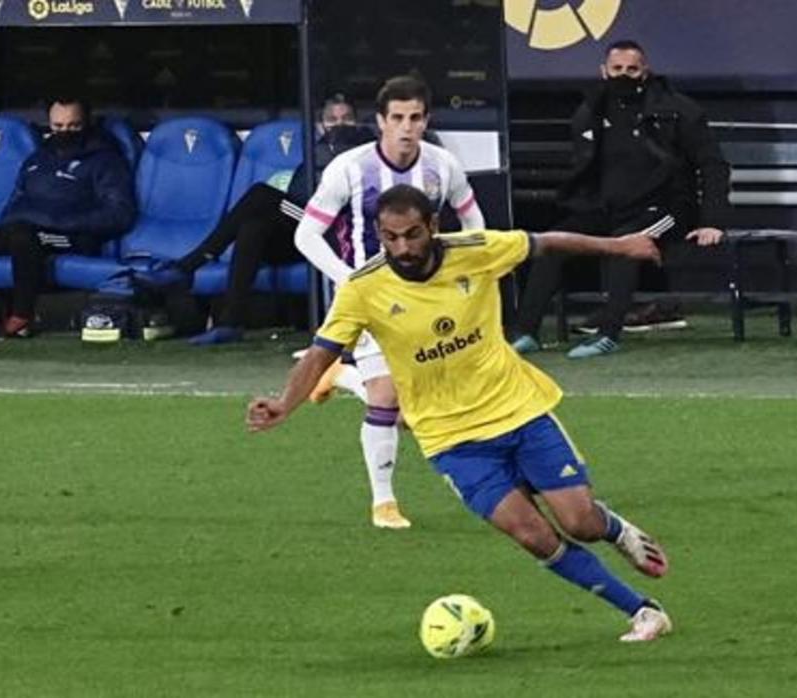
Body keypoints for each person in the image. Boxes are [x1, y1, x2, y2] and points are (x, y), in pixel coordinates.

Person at [248, 184, 674, 641]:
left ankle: (614, 528)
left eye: (412, 234)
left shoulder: (475, 251)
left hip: (518, 411)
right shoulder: (364, 289)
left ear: (433, 226)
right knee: (533, 536)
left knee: (580, 523)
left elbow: (547, 241)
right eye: (390, 237)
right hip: (451, 438)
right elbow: (319, 353)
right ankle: (643, 611)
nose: (402, 248)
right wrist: (283, 405)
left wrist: (620, 246)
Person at [291, 74, 486, 530]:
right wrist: (350, 280)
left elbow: (476, 224)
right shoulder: (349, 168)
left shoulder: (443, 166)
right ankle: (384, 503)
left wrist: (467, 276)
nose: (406, 127)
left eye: (415, 118)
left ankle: (343, 377)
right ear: (380, 121)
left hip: (427, 299)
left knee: (416, 412)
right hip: (370, 300)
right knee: (387, 395)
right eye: (396, 118)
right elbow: (306, 233)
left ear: (426, 120)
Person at [510, 39, 731, 359]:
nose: (623, 75)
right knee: (554, 243)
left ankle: (609, 333)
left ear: (645, 72)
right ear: (604, 71)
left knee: (626, 243)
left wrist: (713, 220)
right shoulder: (591, 110)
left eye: (631, 69)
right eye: (617, 69)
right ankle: (526, 332)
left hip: (664, 209)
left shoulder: (676, 110)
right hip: (605, 209)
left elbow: (713, 164)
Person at [131, 94, 374, 345]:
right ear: (321, 125)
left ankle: (188, 266)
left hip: (333, 234)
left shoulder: (366, 152)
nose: (340, 125)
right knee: (252, 228)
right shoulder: (317, 151)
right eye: (332, 120)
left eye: (346, 118)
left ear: (358, 122)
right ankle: (229, 323)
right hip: (304, 234)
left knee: (261, 194)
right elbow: (299, 194)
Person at [0, 97, 135, 337]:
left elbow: (120, 214)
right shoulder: (38, 158)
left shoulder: (105, 161)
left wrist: (61, 222)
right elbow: (15, 200)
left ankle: (21, 317)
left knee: (23, 235)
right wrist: (8, 222)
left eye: (73, 126)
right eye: (58, 126)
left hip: (71, 237)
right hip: (22, 230)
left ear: (87, 123)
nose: (64, 132)